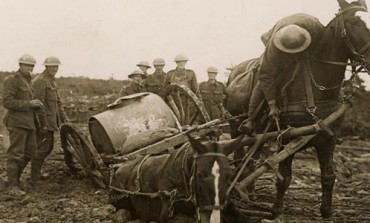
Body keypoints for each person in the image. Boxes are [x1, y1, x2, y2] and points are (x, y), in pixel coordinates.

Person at [238, 14, 325, 135]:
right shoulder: (273, 48)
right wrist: (272, 105)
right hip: (272, 38)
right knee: (262, 82)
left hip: (306, 38)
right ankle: (250, 119)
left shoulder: (316, 29)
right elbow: (266, 76)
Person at [3, 54, 44, 196]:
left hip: (29, 123)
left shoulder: (29, 81)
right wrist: (29, 104)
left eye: (32, 66)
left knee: (29, 153)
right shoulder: (12, 80)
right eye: (27, 65)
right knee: (16, 154)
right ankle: (12, 186)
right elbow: (7, 102)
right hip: (17, 123)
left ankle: (14, 181)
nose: (30, 68)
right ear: (20, 65)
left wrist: (35, 105)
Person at [32, 56, 69, 181]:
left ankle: (36, 173)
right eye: (51, 66)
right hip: (44, 122)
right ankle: (35, 175)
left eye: (56, 66)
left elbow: (58, 103)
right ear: (46, 67)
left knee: (48, 147)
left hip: (51, 122)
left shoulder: (52, 82)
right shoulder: (40, 81)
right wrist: (43, 124)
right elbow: (38, 104)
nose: (54, 69)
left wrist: (65, 119)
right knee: (43, 148)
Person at [163, 54, 199, 124]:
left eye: (183, 61)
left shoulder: (191, 73)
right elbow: (165, 89)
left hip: (187, 101)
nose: (181, 63)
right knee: (175, 120)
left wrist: (197, 102)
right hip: (174, 101)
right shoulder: (170, 74)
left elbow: (195, 89)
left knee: (187, 121)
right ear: (176, 62)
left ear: (186, 62)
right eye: (179, 62)